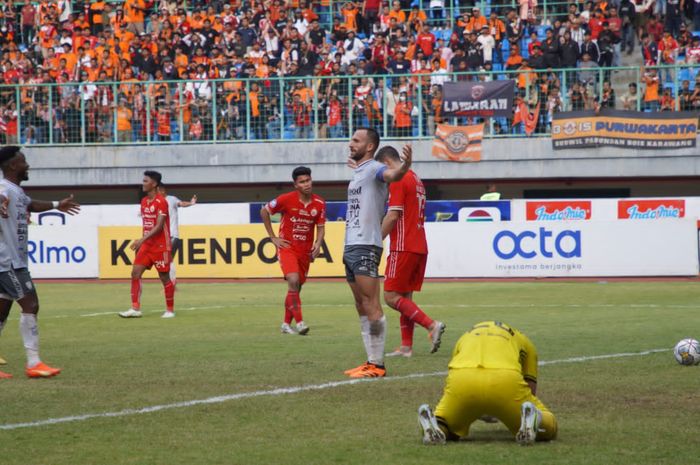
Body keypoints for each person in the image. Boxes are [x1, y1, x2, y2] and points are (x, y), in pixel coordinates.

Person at [0, 146, 80, 379]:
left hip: (13, 260)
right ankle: (34, 363)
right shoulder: (5, 189)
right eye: (24, 161)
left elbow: (30, 204)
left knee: (2, 311)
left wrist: (57, 205)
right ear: (13, 165)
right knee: (31, 304)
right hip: (8, 262)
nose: (28, 165)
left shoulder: (17, 191)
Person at [417, 321, 558, 445]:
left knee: (448, 425)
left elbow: (451, 376)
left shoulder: (464, 336)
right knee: (551, 426)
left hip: (462, 379)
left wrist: (476, 408)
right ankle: (536, 419)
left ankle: (435, 425)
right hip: (504, 379)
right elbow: (531, 390)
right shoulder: (525, 341)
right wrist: (499, 408)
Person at [343, 128, 412, 379]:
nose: (351, 143)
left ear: (369, 147)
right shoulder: (362, 170)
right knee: (360, 304)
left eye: (356, 140)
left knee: (371, 303)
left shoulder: (375, 169)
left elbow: (392, 174)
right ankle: (370, 361)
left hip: (365, 244)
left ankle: (378, 365)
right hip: (351, 244)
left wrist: (404, 167)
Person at [375, 146, 445, 358]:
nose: (383, 177)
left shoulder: (398, 179)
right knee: (405, 296)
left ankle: (431, 325)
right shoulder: (416, 179)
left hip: (403, 245)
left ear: (387, 163)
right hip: (419, 245)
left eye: (382, 171)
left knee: (390, 296)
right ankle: (406, 346)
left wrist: (375, 241)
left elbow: (393, 216)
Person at [261, 166, 326, 336]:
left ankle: (285, 324)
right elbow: (264, 211)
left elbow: (320, 227)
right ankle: (300, 323)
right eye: (302, 182)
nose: (306, 184)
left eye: (308, 180)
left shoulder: (319, 203)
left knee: (296, 287)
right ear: (295, 184)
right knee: (293, 279)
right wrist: (272, 237)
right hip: (287, 247)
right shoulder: (286, 199)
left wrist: (318, 244)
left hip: (305, 251)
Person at [119, 171, 175, 319]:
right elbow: (147, 224)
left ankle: (170, 310)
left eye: (145, 181)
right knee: (135, 273)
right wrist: (143, 242)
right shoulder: (144, 201)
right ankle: (135, 308)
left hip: (161, 246)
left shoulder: (162, 202)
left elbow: (158, 226)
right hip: (146, 246)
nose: (142, 184)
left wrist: (141, 239)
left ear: (154, 184)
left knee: (164, 277)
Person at [157, 185, 197, 286]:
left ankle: (171, 283)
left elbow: (181, 203)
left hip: (173, 235)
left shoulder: (171, 199)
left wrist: (191, 203)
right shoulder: (156, 202)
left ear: (162, 190)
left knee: (168, 259)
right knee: (164, 260)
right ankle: (170, 283)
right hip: (162, 236)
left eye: (157, 190)